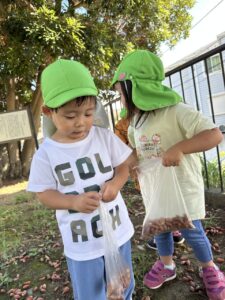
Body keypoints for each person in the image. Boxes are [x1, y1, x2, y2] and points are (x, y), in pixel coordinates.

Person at [111, 49, 225, 300]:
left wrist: (179, 148)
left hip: (182, 190)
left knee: (193, 231)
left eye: (121, 92)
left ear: (136, 87)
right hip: (156, 191)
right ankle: (167, 265)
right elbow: (136, 153)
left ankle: (210, 268)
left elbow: (214, 134)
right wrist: (125, 166)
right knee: (160, 229)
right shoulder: (136, 122)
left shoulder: (176, 111)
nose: (120, 99)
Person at [27, 59, 135, 300]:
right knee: (91, 294)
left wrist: (116, 184)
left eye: (88, 113)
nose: (81, 122)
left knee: (123, 288)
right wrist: (72, 203)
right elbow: (44, 194)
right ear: (48, 112)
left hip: (117, 233)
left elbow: (124, 167)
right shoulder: (46, 154)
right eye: (69, 116)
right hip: (82, 245)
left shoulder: (103, 137)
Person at [114, 108, 185, 250]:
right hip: (157, 165)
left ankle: (169, 228)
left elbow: (120, 147)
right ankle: (174, 229)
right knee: (165, 197)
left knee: (153, 200)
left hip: (144, 167)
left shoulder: (124, 123)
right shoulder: (151, 116)